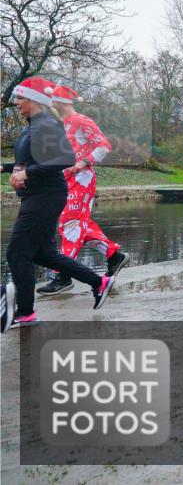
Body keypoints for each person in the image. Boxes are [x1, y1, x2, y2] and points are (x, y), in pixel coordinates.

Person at [1, 78, 115, 332]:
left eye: (21, 98)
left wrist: (27, 174)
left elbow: (64, 158)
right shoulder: (33, 125)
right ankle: (98, 282)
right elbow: (32, 161)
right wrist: (8, 169)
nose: (16, 103)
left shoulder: (47, 124)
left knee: (16, 253)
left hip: (46, 196)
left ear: (34, 100)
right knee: (44, 254)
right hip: (38, 195)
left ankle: (25, 312)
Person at [37, 85, 130, 296]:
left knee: (69, 223)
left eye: (52, 100)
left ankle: (62, 276)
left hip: (82, 179)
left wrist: (84, 162)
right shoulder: (60, 124)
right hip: (65, 180)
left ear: (61, 101)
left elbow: (104, 145)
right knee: (80, 224)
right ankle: (115, 256)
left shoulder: (82, 120)